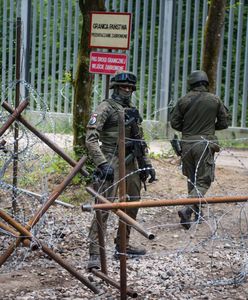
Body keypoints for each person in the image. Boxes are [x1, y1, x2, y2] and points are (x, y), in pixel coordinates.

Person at [85, 70, 156, 269]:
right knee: (104, 206)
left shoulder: (132, 109)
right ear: (115, 87)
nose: (127, 90)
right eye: (123, 87)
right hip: (111, 159)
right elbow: (90, 138)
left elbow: (140, 141)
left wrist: (147, 164)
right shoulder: (105, 107)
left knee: (133, 204)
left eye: (130, 88)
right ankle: (94, 252)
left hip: (132, 160)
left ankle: (122, 245)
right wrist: (102, 163)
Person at [170, 70, 229, 229]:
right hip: (204, 144)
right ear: (206, 83)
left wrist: (188, 129)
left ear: (191, 83)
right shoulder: (215, 100)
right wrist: (209, 127)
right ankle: (188, 209)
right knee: (204, 180)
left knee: (192, 178)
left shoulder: (183, 100)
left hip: (187, 144)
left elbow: (174, 123)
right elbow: (224, 123)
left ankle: (196, 213)